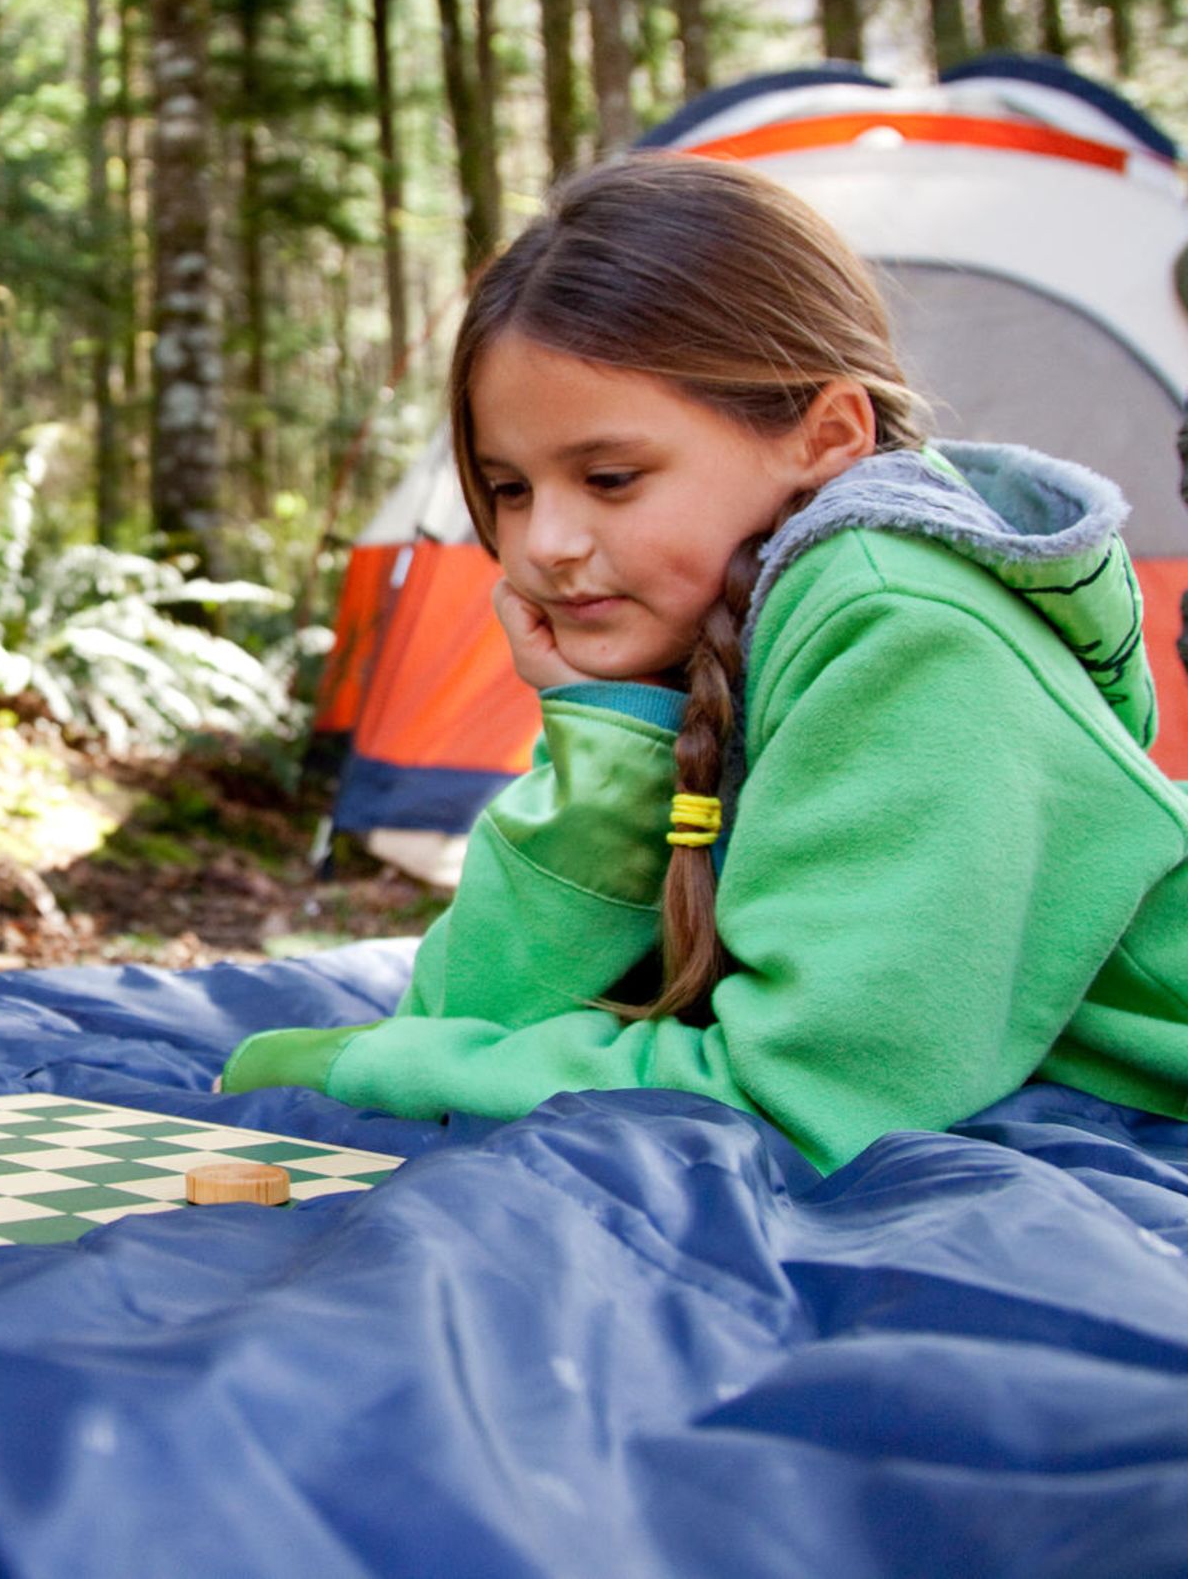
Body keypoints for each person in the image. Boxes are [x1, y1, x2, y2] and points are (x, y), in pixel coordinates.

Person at [223, 154, 1188, 1173]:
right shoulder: (705, 626)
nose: (544, 542)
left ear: (827, 436)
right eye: (507, 490)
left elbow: (804, 1095)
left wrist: (363, 1074)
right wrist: (606, 734)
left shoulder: (902, 627)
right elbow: (464, 1009)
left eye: (610, 477)